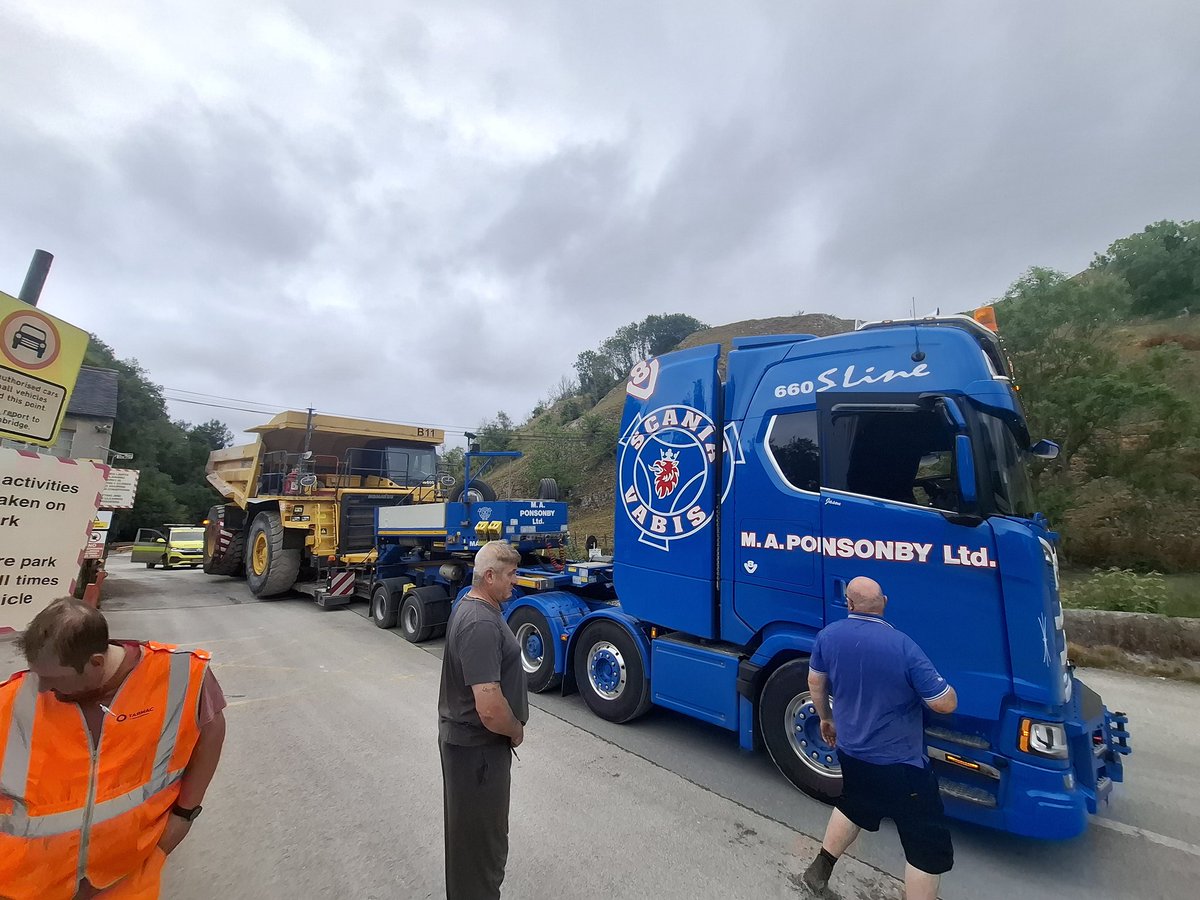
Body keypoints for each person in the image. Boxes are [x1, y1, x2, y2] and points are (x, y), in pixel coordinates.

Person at [0, 597, 226, 900]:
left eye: (54, 678)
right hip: (25, 886)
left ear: (96, 662)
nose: (41, 688)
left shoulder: (181, 677)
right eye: (37, 673)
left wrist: (184, 815)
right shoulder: (12, 699)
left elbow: (211, 732)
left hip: (126, 879)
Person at [801, 577, 957, 900]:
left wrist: (826, 720)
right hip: (902, 767)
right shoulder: (902, 645)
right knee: (924, 847)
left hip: (852, 753)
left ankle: (819, 871)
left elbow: (815, 682)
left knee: (854, 805)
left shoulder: (827, 636)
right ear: (884, 602)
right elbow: (944, 703)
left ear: (849, 604)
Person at [438, 541, 528, 900]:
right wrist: (516, 730)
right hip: (477, 752)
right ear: (489, 576)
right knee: (480, 845)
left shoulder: (477, 609)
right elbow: (488, 706)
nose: (515, 582)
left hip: (473, 750)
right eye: (510, 575)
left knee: (472, 841)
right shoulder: (479, 623)